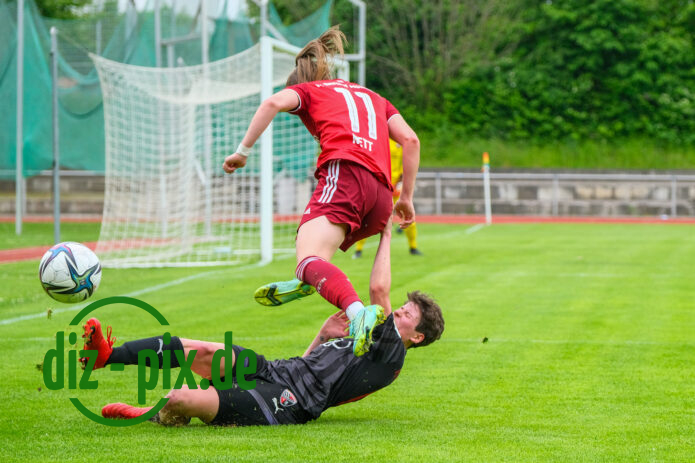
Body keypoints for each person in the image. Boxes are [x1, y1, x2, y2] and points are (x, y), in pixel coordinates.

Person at [83, 221, 444, 427]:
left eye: (406, 314)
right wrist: (322, 335)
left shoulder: (392, 353)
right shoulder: (369, 338)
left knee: (179, 398)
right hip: (276, 371)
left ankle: (152, 414)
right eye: (401, 307)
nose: (397, 311)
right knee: (201, 349)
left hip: (288, 403)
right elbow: (309, 366)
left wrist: (384, 233)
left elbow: (378, 288)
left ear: (418, 336)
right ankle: (108, 356)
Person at [222, 26, 420, 357]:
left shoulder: (310, 92)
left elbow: (271, 103)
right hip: (382, 197)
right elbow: (411, 140)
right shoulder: (373, 96)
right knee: (315, 251)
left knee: (307, 257)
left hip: (346, 175)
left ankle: (355, 312)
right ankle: (313, 277)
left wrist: (242, 151)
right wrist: (408, 198)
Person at [354, 138, 422, 259]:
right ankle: (358, 250)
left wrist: (400, 182)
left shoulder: (399, 141)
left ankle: (413, 247)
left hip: (395, 187)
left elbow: (405, 162)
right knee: (366, 217)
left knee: (407, 216)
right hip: (380, 185)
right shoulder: (375, 139)